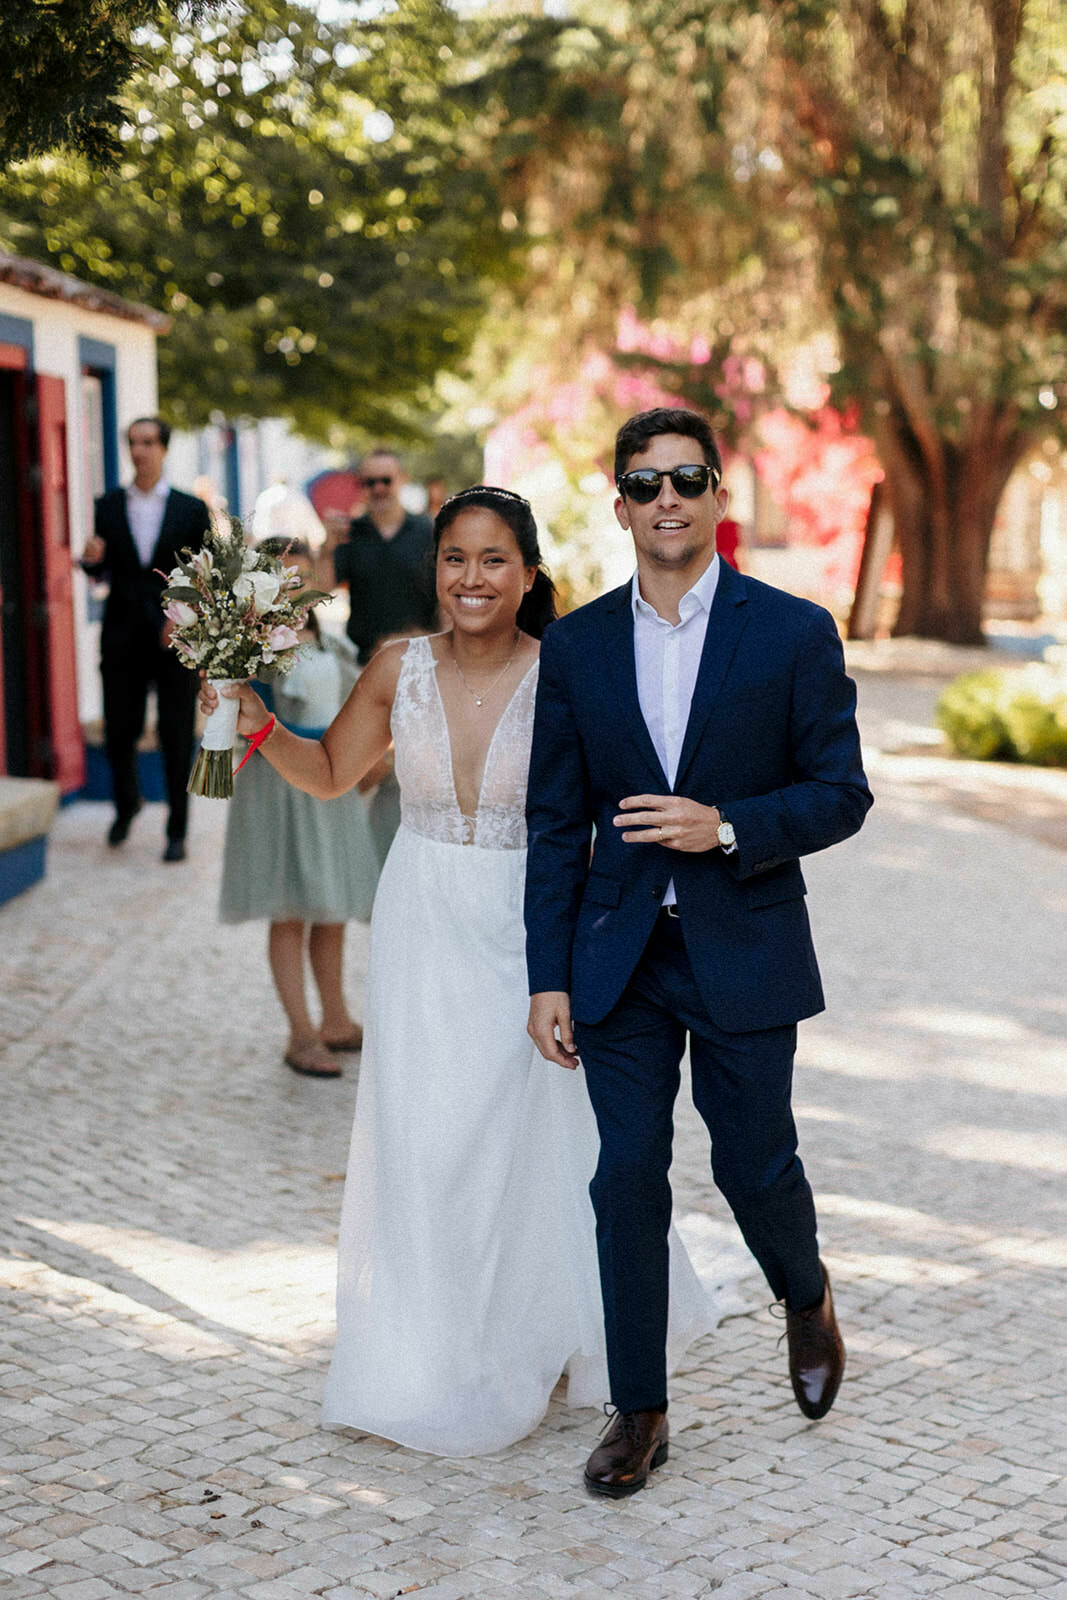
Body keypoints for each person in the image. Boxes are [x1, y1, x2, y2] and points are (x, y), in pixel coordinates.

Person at [200, 486, 714, 1455]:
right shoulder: (397, 668)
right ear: (433, 569)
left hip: (531, 925)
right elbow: (329, 773)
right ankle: (435, 1344)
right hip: (424, 921)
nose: (470, 578)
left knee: (542, 1133)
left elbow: (609, 808)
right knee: (426, 1134)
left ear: (527, 574)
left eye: (490, 560)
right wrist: (252, 719)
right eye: (453, 559)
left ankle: (556, 1323)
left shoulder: (563, 668)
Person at [525, 407, 874, 1498]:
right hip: (618, 955)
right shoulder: (575, 646)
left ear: (718, 495)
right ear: (618, 502)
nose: (664, 499)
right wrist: (547, 973)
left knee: (750, 1160)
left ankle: (803, 1292)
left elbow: (839, 792)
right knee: (624, 1173)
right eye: (643, 483)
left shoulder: (790, 632)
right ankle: (640, 1410)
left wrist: (721, 824)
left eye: (685, 479)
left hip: (744, 940)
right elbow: (551, 822)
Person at [217, 538, 379, 1080]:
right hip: (281, 787)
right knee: (289, 908)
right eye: (283, 578)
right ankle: (300, 1031)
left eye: (304, 577)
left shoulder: (331, 643)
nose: (296, 589)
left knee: (330, 908)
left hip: (328, 777)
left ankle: (335, 1018)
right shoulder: (255, 646)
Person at [81, 416, 211, 862]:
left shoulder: (191, 509)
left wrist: (186, 614)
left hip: (173, 638)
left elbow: (207, 574)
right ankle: (126, 803)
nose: (140, 451)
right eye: (133, 443)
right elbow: (102, 572)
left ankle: (177, 830)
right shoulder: (108, 504)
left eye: (148, 442)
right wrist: (90, 562)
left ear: (164, 448)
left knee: (176, 735)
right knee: (120, 731)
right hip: (121, 636)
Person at [329, 448, 437, 857]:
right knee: (366, 764)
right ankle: (362, 854)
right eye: (368, 482)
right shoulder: (351, 533)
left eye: (385, 480)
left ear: (402, 480)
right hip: (365, 667)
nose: (377, 489)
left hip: (422, 663)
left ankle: (411, 846)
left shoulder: (427, 531)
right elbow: (320, 592)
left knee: (414, 765)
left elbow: (446, 596)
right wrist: (326, 547)